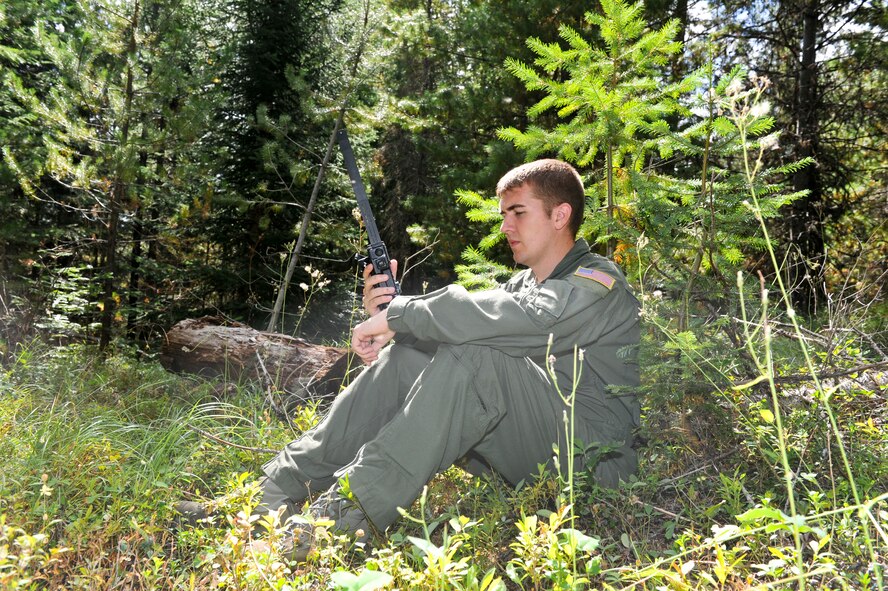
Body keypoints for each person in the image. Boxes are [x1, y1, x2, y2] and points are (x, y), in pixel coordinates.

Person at [177, 159, 640, 560]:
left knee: (476, 356)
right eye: (503, 215)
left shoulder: (597, 280)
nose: (505, 227)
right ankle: (269, 494)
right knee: (408, 355)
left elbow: (519, 323)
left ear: (561, 215)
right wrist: (388, 317)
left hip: (595, 464)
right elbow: (468, 323)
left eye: (518, 213)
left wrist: (404, 314)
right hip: (535, 450)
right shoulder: (525, 286)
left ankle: (332, 524)